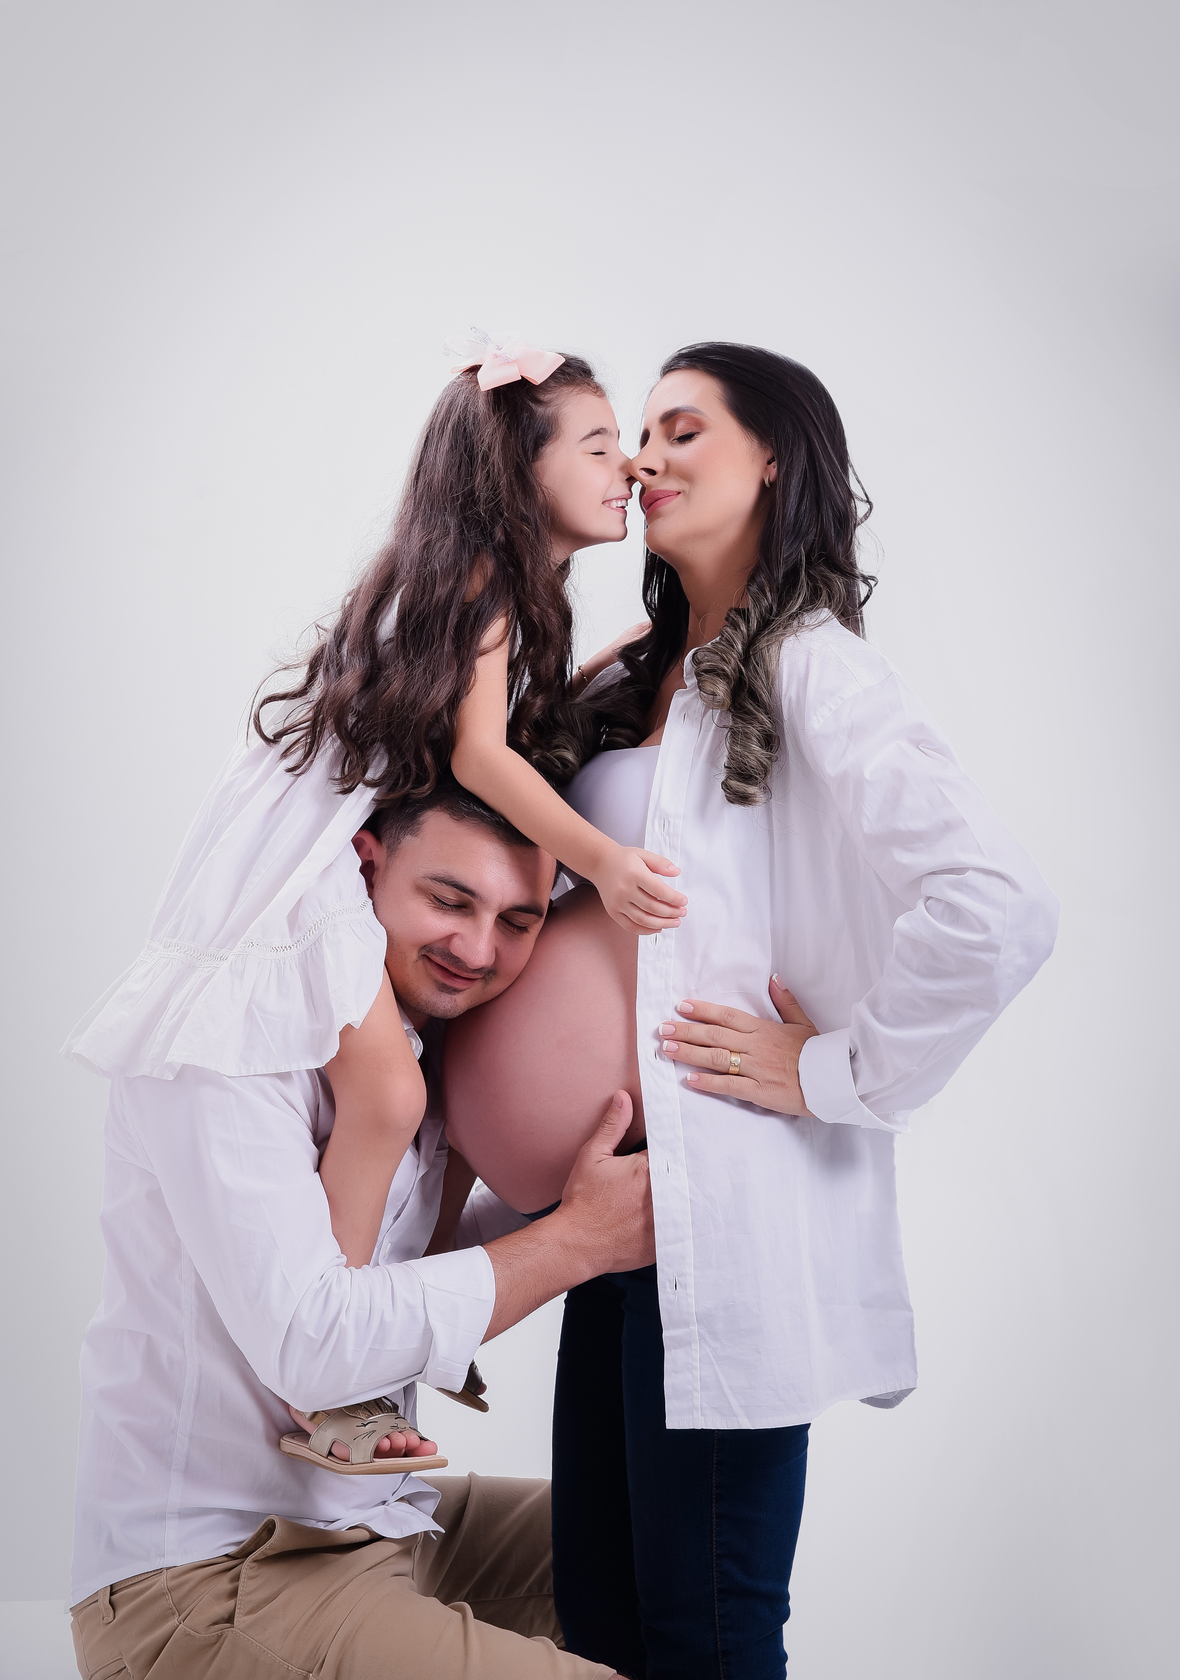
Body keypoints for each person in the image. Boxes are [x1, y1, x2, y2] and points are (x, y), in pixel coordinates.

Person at [440, 343, 1061, 1679]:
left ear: (774, 458)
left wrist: (830, 1070)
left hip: (716, 1220)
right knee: (602, 1629)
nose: (645, 458)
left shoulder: (816, 668)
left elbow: (997, 906)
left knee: (706, 1636)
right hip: (609, 1220)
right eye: (637, 434)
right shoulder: (636, 671)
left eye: (683, 430)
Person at [66, 339, 679, 1467]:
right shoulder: (483, 584)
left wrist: (625, 660)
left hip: (327, 857)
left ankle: (370, 1362)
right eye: (600, 446)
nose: (630, 468)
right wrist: (604, 858)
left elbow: (502, 725)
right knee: (392, 1095)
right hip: (308, 872)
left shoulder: (498, 592)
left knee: (422, 1100)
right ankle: (331, 1397)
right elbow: (483, 759)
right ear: (521, 468)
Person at [69, 776, 653, 1680]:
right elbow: (314, 1341)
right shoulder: (220, 1045)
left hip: (377, 1526)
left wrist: (576, 1202)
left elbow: (405, 1267)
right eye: (449, 901)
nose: (477, 950)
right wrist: (578, 1240)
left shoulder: (414, 1038)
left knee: (665, 1560)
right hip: (206, 1581)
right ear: (363, 866)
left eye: (517, 921)